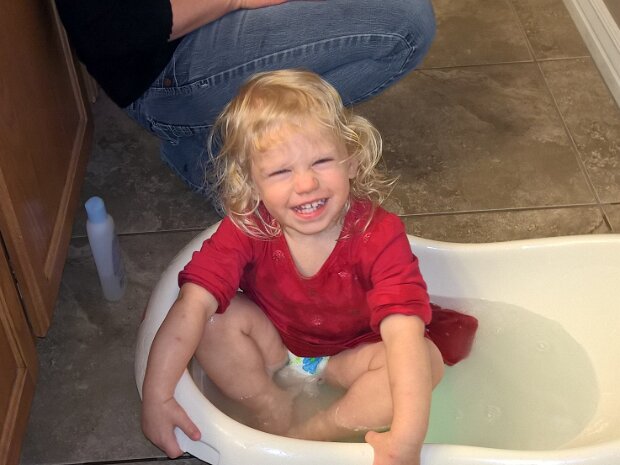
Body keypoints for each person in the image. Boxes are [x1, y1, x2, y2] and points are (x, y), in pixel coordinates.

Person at [140, 70, 477, 465]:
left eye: (321, 161)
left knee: (422, 359)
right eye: (280, 171)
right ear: (252, 184)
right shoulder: (247, 227)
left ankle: (316, 430)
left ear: (352, 161)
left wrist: (405, 441)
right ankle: (269, 405)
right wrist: (157, 397)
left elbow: (403, 335)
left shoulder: (379, 235)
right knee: (210, 317)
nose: (305, 184)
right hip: (274, 345)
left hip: (351, 359)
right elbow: (191, 305)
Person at [55, 0, 436, 200]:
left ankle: (222, 145)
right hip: (162, 67)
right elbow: (110, 31)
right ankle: (221, 147)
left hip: (199, 32)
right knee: (406, 23)